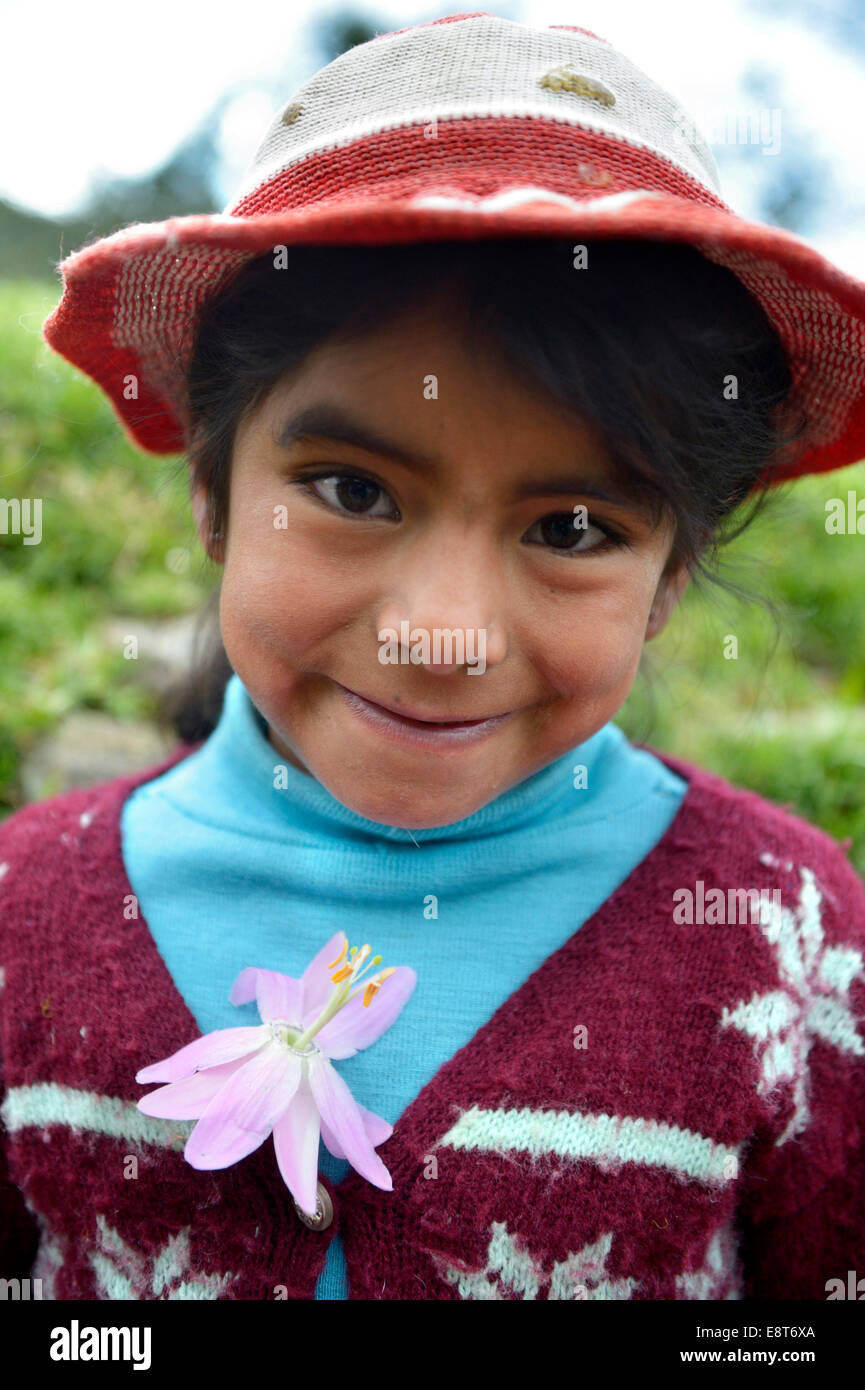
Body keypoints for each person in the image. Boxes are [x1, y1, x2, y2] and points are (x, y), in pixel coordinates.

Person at [2, 12, 864, 1302]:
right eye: (352, 489)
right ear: (212, 494)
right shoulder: (25, 910)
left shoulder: (787, 936)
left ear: (672, 578)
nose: (441, 633)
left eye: (573, 528)